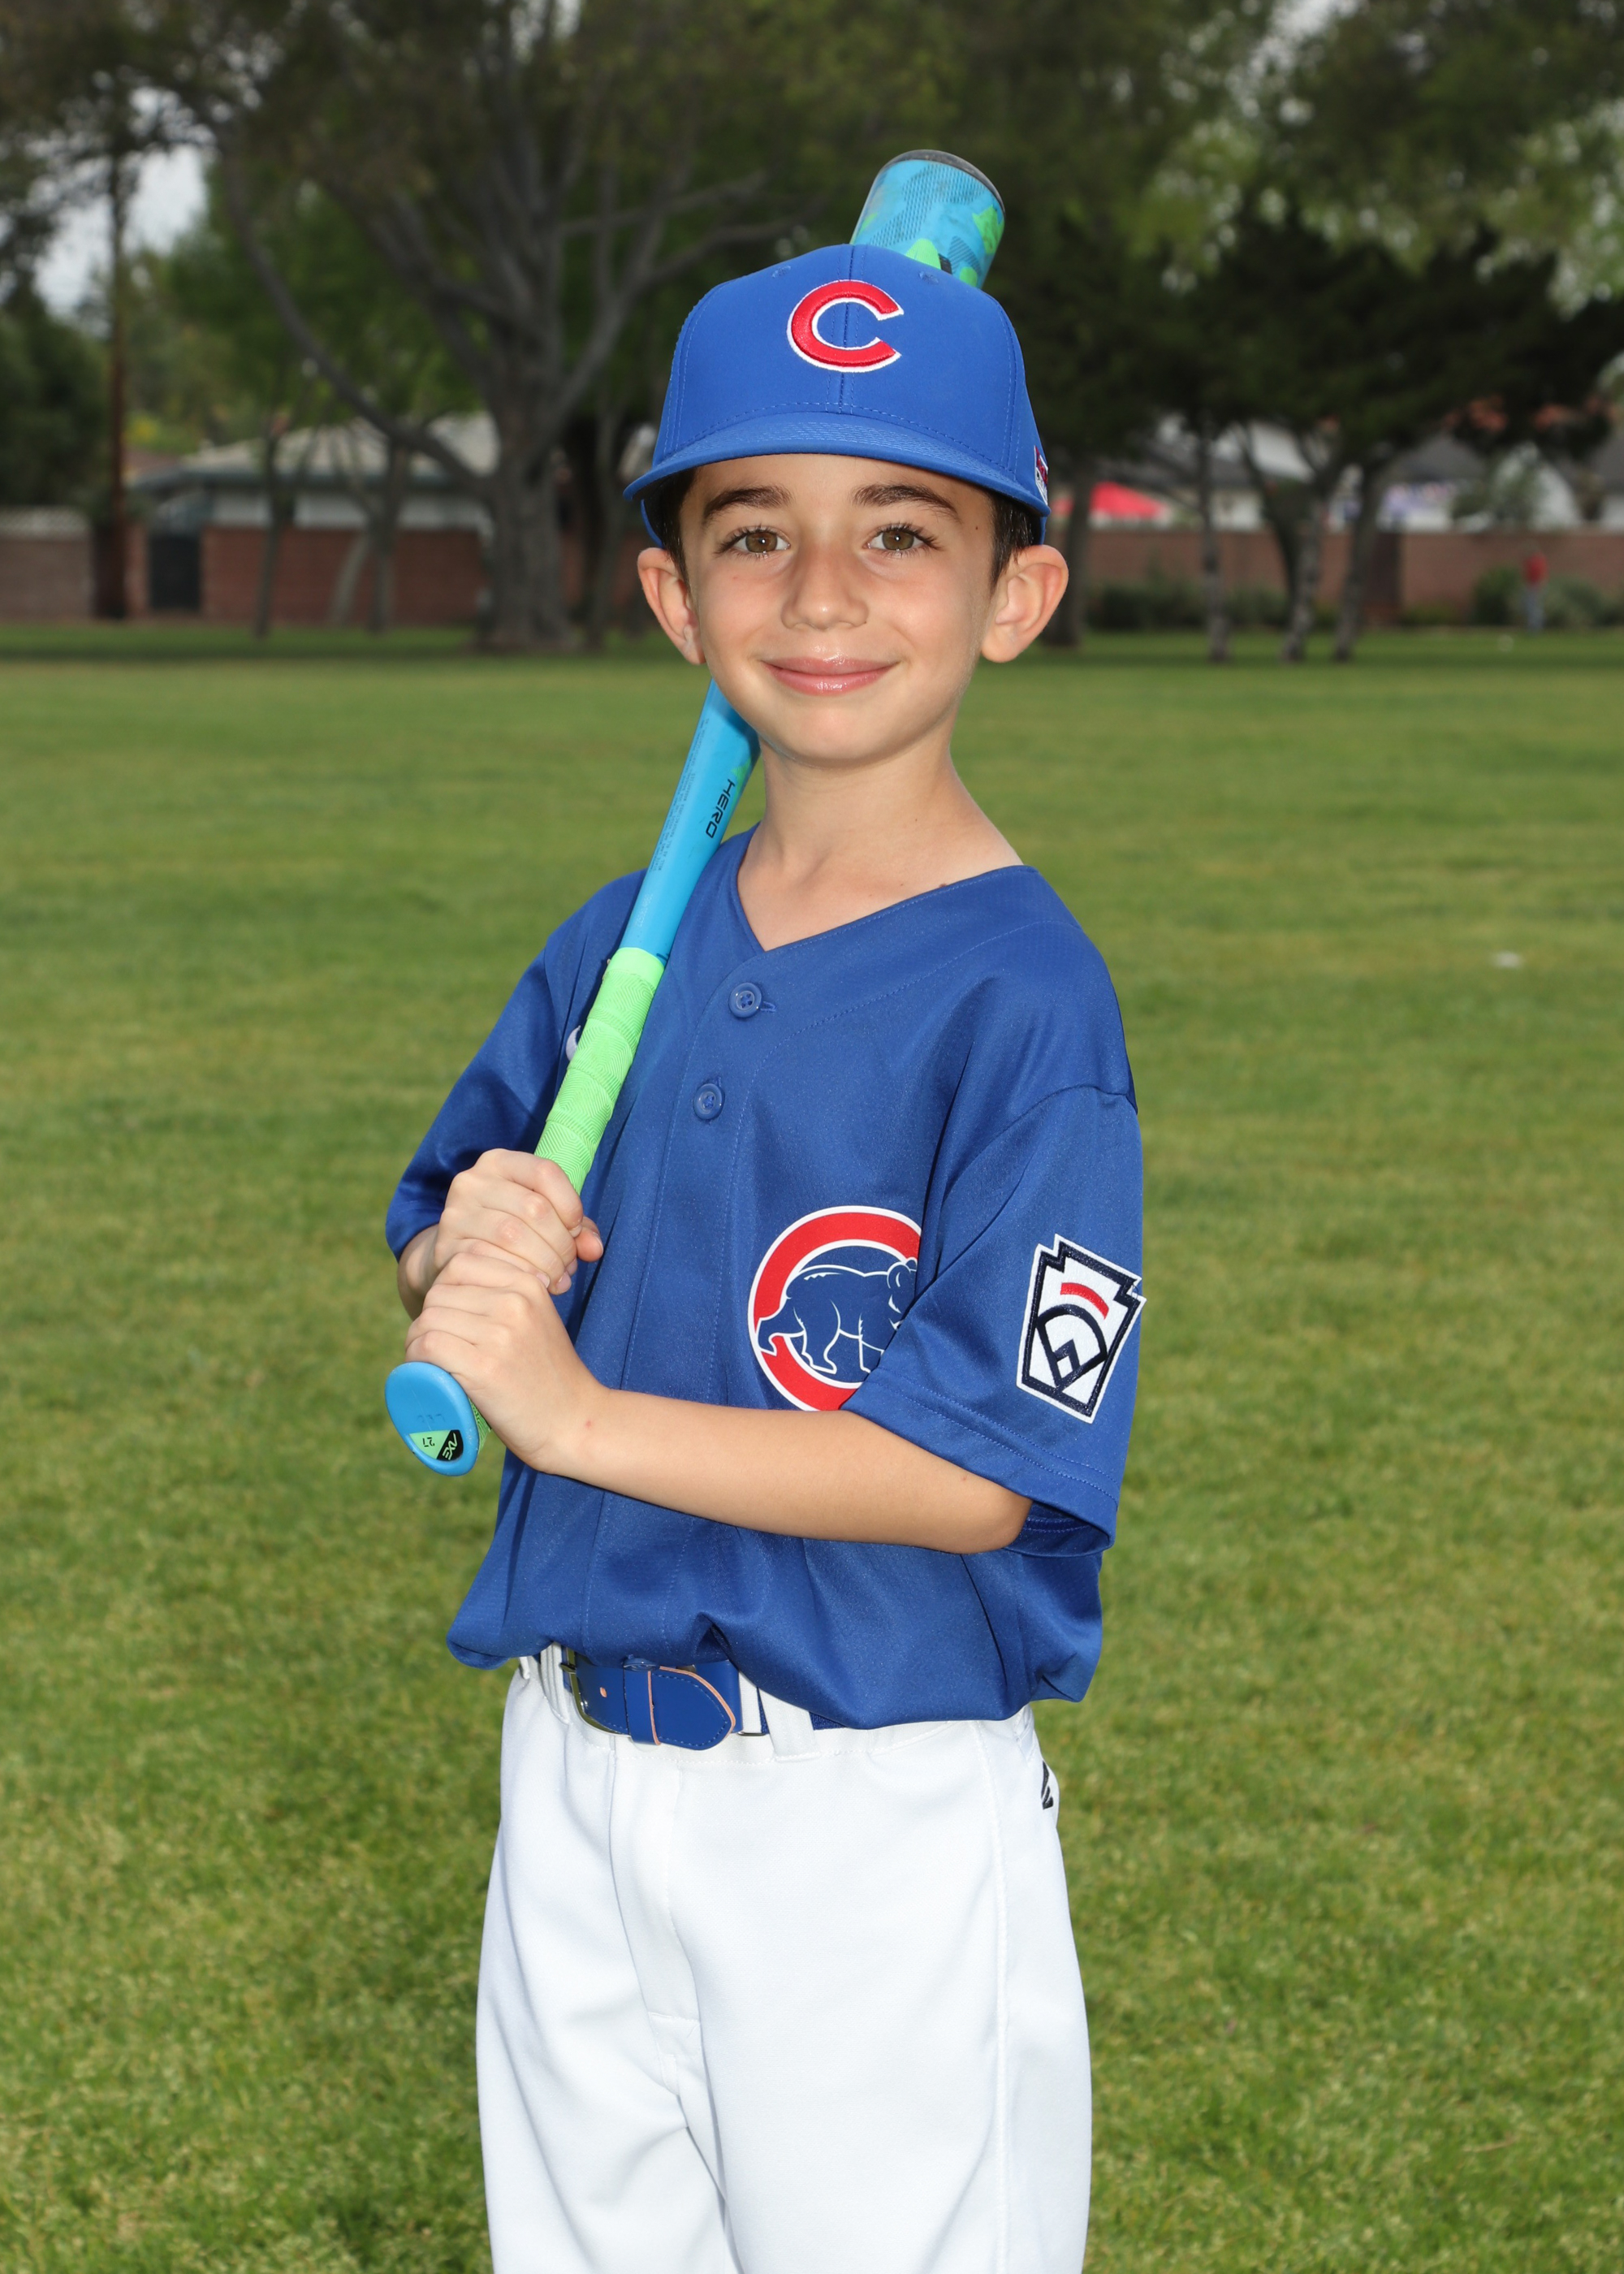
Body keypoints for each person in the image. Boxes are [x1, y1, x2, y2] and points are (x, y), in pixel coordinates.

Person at [387, 241, 1143, 2274]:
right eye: (753, 534)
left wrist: (573, 1412)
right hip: (575, 1775)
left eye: (897, 533)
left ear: (1014, 597)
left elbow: (974, 1472)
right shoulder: (616, 943)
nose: (819, 595)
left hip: (861, 1814)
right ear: (672, 597)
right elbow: (449, 1222)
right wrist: (466, 1253)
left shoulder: (1025, 1006)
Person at [1522, 547, 1548, 632]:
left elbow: (1540, 575)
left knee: (1535, 608)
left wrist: (1539, 586)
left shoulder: (1537, 562)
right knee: (1530, 608)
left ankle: (1536, 627)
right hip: (1531, 586)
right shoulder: (1531, 562)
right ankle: (1532, 626)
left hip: (1535, 586)